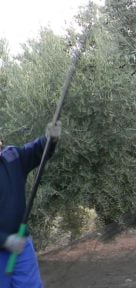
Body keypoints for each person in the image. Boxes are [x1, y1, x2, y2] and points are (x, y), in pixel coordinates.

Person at [1, 121, 62, 288]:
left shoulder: (12, 157)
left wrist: (49, 139)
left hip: (21, 245)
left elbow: (36, 151)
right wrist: (5, 240)